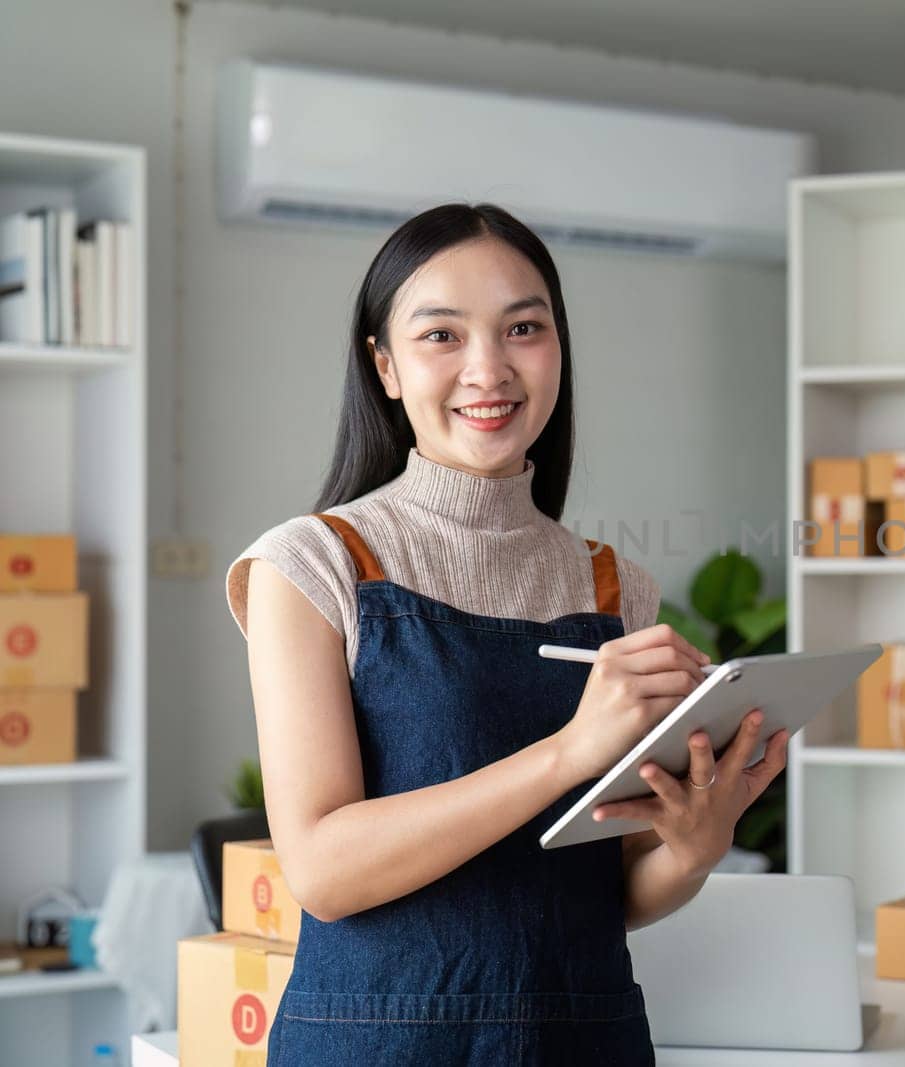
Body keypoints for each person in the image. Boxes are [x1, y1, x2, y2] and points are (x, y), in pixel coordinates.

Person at [223, 203, 787, 1064]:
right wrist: (568, 751)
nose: (489, 369)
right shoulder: (309, 564)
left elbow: (613, 889)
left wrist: (695, 846)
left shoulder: (614, 584)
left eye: (524, 327)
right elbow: (324, 872)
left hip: (585, 1042)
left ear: (558, 346)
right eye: (441, 335)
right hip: (379, 1047)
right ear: (385, 367)